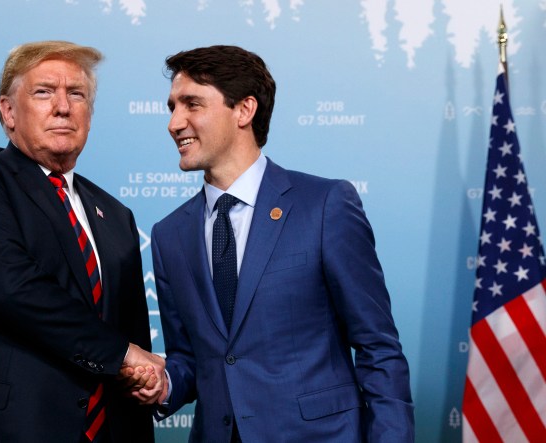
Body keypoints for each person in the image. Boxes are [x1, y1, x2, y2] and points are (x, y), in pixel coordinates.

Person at [147, 45, 415, 441]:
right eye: (172, 107)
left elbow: (378, 347)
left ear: (244, 110)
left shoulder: (324, 206)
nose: (174, 123)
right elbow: (192, 358)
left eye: (192, 104)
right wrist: (164, 382)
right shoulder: (169, 234)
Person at [0, 41, 164, 443]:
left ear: (89, 114)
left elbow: (132, 339)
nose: (63, 107)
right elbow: (9, 286)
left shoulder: (116, 216)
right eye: (44, 92)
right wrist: (120, 354)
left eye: (76, 94)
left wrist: (143, 376)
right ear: (8, 111)